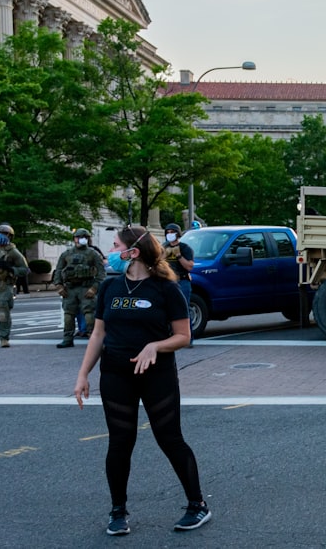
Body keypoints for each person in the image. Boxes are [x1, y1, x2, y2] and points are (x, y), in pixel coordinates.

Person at [73, 225, 211, 536]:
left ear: (133, 252)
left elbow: (183, 336)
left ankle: (197, 504)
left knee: (170, 439)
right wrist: (83, 374)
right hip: (115, 375)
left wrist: (154, 346)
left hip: (157, 376)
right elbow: (98, 334)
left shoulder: (166, 289)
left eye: (115, 245)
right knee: (120, 443)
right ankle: (118, 511)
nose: (111, 251)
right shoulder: (110, 288)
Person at [52, 227, 106, 348]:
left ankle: (94, 339)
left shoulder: (93, 254)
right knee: (68, 314)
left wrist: (94, 288)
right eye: (78, 237)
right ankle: (67, 338)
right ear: (74, 238)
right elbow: (58, 270)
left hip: (86, 287)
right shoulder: (66, 254)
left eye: (84, 237)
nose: (81, 239)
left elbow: (101, 273)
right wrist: (59, 286)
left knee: (89, 314)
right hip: (69, 289)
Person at [162, 223, 194, 309]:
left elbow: (189, 267)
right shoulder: (164, 247)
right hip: (167, 281)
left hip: (182, 281)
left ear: (178, 234)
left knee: (183, 308)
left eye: (172, 232)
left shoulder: (185, 248)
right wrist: (164, 255)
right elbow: (156, 264)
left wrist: (179, 256)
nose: (170, 234)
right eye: (168, 232)